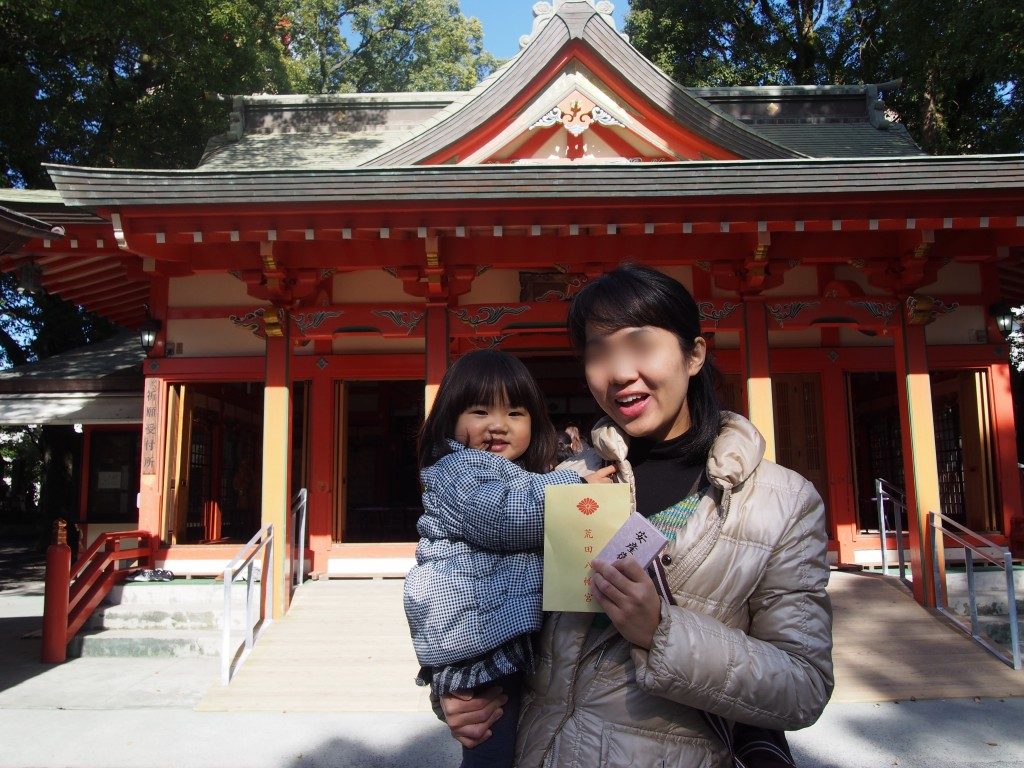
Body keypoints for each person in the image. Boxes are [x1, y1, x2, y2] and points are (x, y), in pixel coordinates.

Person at [440, 265, 834, 767]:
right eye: (599, 351)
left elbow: (804, 685)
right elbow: (479, 592)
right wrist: (459, 690)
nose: (621, 372)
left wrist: (661, 632)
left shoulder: (782, 503)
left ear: (694, 355)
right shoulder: (562, 476)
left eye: (641, 344)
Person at [403, 349, 615, 768]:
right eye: (480, 411)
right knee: (491, 741)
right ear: (449, 420)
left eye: (515, 413)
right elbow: (504, 517)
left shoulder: (518, 475)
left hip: (493, 629)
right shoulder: (457, 468)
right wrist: (574, 484)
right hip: (473, 635)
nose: (498, 425)